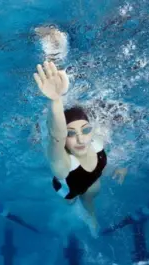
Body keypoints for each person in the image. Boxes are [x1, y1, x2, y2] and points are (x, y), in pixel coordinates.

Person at [33, 61, 127, 236]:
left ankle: (91, 215)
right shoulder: (63, 164)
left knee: (91, 194)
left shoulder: (96, 143)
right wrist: (55, 100)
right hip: (69, 188)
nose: (80, 138)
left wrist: (116, 169)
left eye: (85, 130)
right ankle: (79, 212)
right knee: (71, 201)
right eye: (71, 133)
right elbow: (56, 137)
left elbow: (101, 165)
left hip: (89, 179)